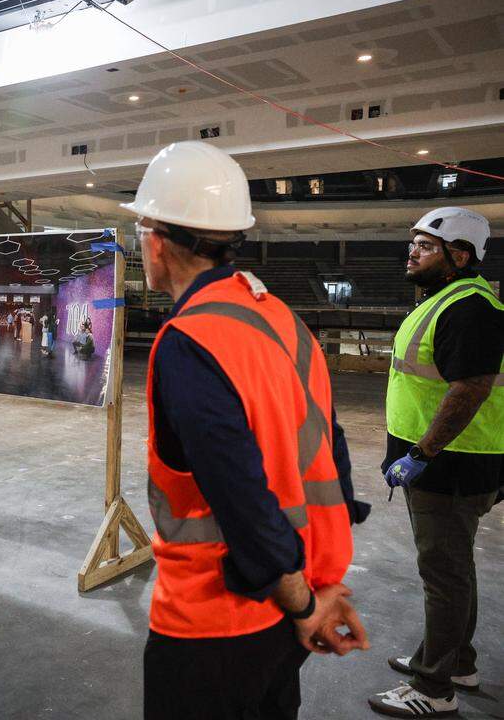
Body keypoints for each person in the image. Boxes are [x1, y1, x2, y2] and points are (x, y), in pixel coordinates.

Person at [123, 142, 370, 720]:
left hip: (216, 618)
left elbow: (239, 496)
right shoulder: (281, 316)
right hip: (287, 610)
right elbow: (330, 455)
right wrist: (317, 593)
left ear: (157, 241)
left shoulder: (190, 343)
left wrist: (306, 603)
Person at [370, 207, 503, 718]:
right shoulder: (448, 299)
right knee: (454, 569)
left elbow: (469, 390)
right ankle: (455, 662)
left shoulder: (469, 307)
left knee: (443, 576)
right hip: (447, 464)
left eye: (425, 246)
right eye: (414, 244)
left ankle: (434, 688)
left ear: (459, 255)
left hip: (448, 468)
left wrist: (421, 454)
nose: (413, 252)